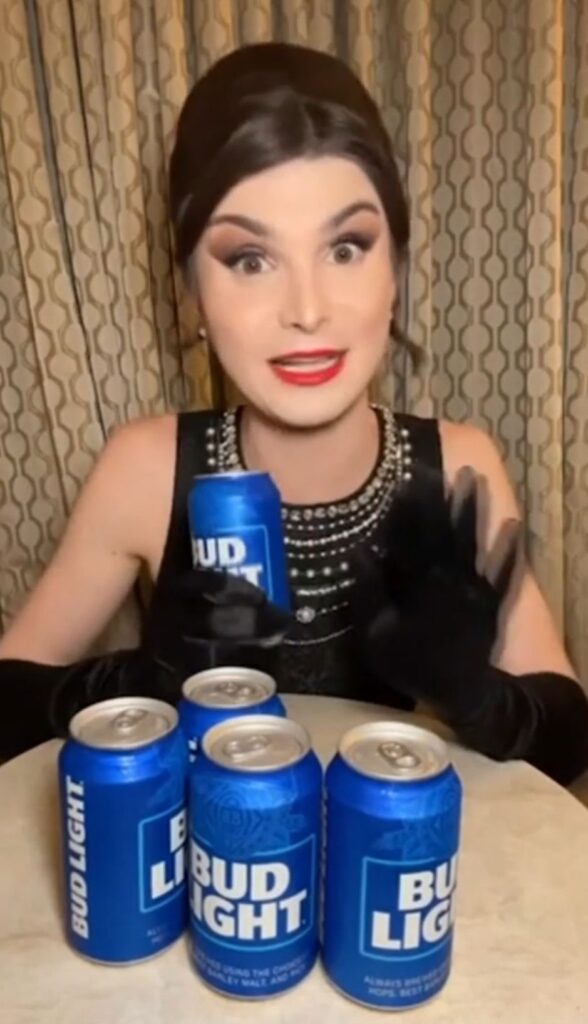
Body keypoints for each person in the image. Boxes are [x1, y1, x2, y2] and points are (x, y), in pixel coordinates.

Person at [1, 42, 587, 783]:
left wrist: (477, 696)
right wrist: (147, 679)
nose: (307, 310)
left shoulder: (458, 463)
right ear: (192, 294)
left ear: (396, 269)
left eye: (345, 249)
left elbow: (570, 738)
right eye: (250, 260)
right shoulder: (145, 468)